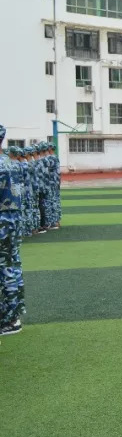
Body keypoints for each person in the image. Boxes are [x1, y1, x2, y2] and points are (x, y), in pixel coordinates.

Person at [0, 125, 26, 336]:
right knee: (13, 267)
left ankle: (8, 319)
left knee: (5, 270)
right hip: (13, 221)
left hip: (1, 222)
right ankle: (15, 315)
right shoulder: (12, 164)